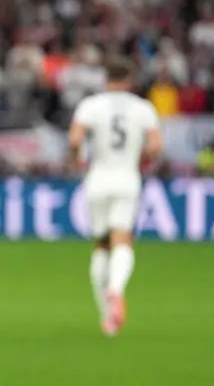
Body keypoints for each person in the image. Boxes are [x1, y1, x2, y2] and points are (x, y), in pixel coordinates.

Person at [68, 58, 163, 337]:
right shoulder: (142, 107)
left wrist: (75, 161)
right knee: (122, 239)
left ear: (105, 79)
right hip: (127, 179)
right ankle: (115, 290)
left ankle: (108, 319)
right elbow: (156, 145)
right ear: (130, 80)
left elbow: (75, 140)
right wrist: (141, 158)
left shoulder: (91, 105)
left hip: (97, 179)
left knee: (101, 246)